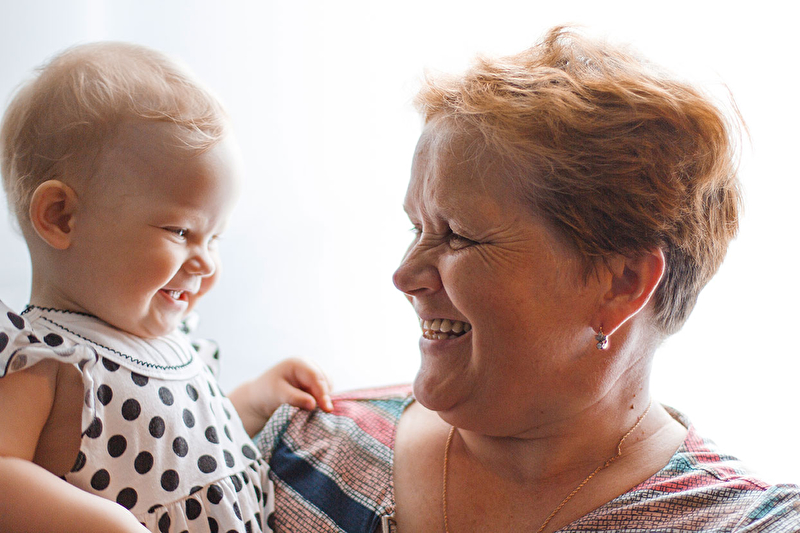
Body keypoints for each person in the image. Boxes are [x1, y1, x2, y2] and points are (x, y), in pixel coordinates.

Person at [256, 26, 800, 532]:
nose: (405, 276)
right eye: (417, 228)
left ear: (622, 284)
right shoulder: (299, 452)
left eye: (458, 235)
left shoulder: (746, 523)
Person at [0, 42, 333, 533]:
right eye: (180, 232)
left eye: (214, 238)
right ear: (62, 217)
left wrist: (250, 404)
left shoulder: (177, 344)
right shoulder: (48, 356)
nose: (205, 261)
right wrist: (107, 524)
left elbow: (189, 456)